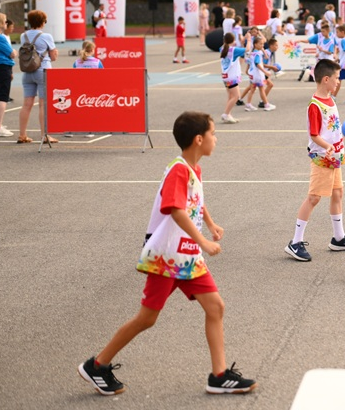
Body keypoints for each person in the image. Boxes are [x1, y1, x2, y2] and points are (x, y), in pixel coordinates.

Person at [78, 111, 256, 396]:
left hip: (186, 255)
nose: (216, 138)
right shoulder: (179, 169)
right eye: (213, 133)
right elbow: (175, 209)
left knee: (215, 307)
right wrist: (204, 242)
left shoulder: (192, 168)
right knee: (146, 319)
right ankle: (96, 365)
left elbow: (193, 199)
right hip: (167, 258)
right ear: (199, 139)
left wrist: (209, 223)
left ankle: (219, 375)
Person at [285, 59, 345, 262]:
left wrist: (341, 135)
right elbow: (314, 134)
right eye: (336, 79)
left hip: (335, 156)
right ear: (326, 79)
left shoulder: (330, 99)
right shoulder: (315, 105)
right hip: (322, 157)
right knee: (314, 197)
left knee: (338, 193)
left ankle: (339, 237)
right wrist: (327, 146)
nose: (338, 82)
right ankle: (295, 242)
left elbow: (331, 126)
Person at [17, 10, 59, 145]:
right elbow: (53, 57)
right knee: (43, 104)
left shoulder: (23, 36)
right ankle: (44, 135)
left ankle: (22, 134)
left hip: (27, 71)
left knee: (26, 104)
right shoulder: (46, 36)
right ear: (42, 22)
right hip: (42, 71)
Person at [218, 33, 244, 124]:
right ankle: (225, 114)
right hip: (231, 77)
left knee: (230, 96)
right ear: (233, 40)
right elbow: (248, 50)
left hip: (225, 77)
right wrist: (248, 40)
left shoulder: (222, 49)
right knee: (236, 96)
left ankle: (228, 114)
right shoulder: (234, 50)